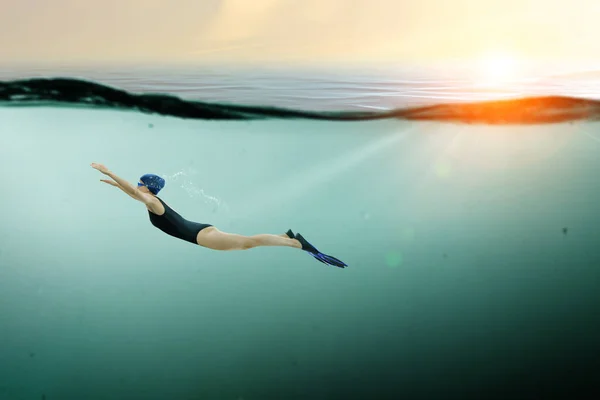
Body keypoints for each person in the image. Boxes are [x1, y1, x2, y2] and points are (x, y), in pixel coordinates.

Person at [91, 163, 347, 268]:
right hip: (202, 231)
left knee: (247, 243)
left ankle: (295, 243)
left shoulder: (153, 204)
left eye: (139, 184)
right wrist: (117, 185)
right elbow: (136, 196)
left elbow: (138, 196)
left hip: (203, 237)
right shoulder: (152, 201)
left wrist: (111, 173)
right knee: (247, 242)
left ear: (147, 188)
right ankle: (284, 237)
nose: (136, 187)